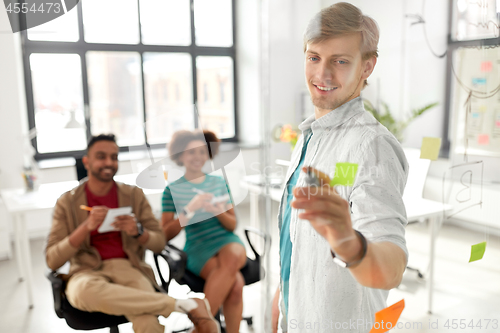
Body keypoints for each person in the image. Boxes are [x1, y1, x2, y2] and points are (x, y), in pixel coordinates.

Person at [272, 3, 409, 333]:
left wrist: (349, 242)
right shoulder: (310, 136)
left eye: (341, 61)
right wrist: (282, 303)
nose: (323, 74)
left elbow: (391, 266)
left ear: (367, 67)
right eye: (314, 57)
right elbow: (298, 242)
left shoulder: (372, 145)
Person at [46, 134, 220, 333]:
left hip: (129, 267)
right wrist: (85, 227)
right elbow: (52, 260)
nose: (109, 162)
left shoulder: (133, 196)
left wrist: (138, 232)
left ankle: (178, 305)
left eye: (114, 157)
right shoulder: (67, 202)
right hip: (86, 271)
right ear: (87, 161)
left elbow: (158, 242)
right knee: (83, 292)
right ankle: (182, 305)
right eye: (101, 156)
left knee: (147, 322)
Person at [162, 130, 246, 333]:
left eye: (201, 151)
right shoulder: (172, 190)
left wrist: (217, 211)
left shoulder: (218, 183)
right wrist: (189, 210)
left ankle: (201, 327)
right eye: (191, 152)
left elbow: (231, 225)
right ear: (180, 155)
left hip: (226, 240)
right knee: (235, 285)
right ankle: (206, 326)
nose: (197, 157)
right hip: (198, 246)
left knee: (234, 255)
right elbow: (164, 234)